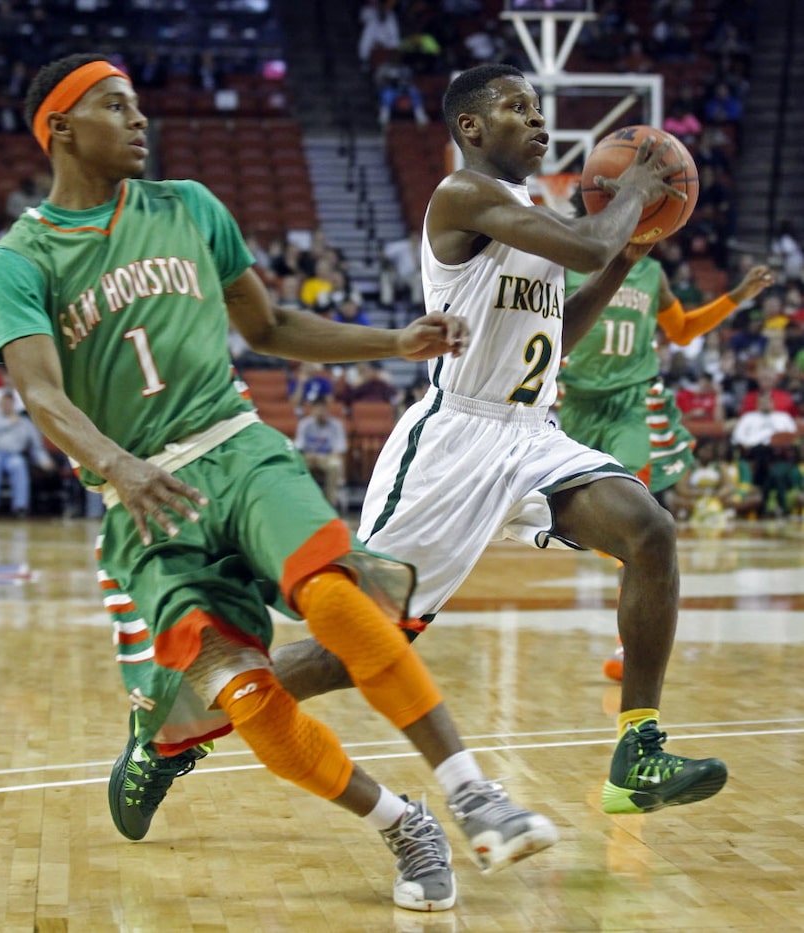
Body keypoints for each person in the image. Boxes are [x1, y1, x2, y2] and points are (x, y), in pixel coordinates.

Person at [0, 53, 560, 915]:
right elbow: (39, 392)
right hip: (141, 498)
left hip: (236, 446)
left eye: (140, 103)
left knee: (334, 597)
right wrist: (119, 466)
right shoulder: (20, 258)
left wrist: (391, 342)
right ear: (60, 127)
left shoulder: (189, 207)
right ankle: (401, 820)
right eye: (114, 106)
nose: (139, 119)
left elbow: (274, 324)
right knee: (244, 694)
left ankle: (473, 789)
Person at [267, 64, 730, 817]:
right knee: (358, 646)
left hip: (531, 437)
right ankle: (190, 716)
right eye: (519, 107)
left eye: (540, 108)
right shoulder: (465, 194)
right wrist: (638, 195)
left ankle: (637, 751)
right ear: (472, 129)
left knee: (650, 530)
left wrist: (626, 258)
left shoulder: (531, 212)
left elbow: (560, 328)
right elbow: (584, 246)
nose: (539, 121)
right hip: (454, 443)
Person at [561, 187, 773, 679]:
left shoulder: (652, 272)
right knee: (584, 524)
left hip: (631, 404)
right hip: (575, 405)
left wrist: (737, 297)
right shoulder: (569, 262)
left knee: (637, 518)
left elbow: (679, 331)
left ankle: (627, 647)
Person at [0, 387, 56, 516]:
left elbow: (36, 445)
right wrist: (7, 423)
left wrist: (43, 459)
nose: (7, 405)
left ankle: (20, 507)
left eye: (10, 402)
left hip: (14, 455)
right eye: (4, 402)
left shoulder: (24, 422)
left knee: (18, 465)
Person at [294, 397, 349, 509]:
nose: (320, 411)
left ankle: (330, 505)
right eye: (317, 408)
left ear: (327, 409)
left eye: (323, 408)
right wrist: (310, 456)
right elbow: (299, 447)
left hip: (327, 458)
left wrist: (324, 457)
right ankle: (303, 503)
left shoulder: (336, 425)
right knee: (297, 463)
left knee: (335, 465)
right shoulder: (305, 424)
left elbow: (340, 449)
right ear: (312, 409)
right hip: (309, 457)